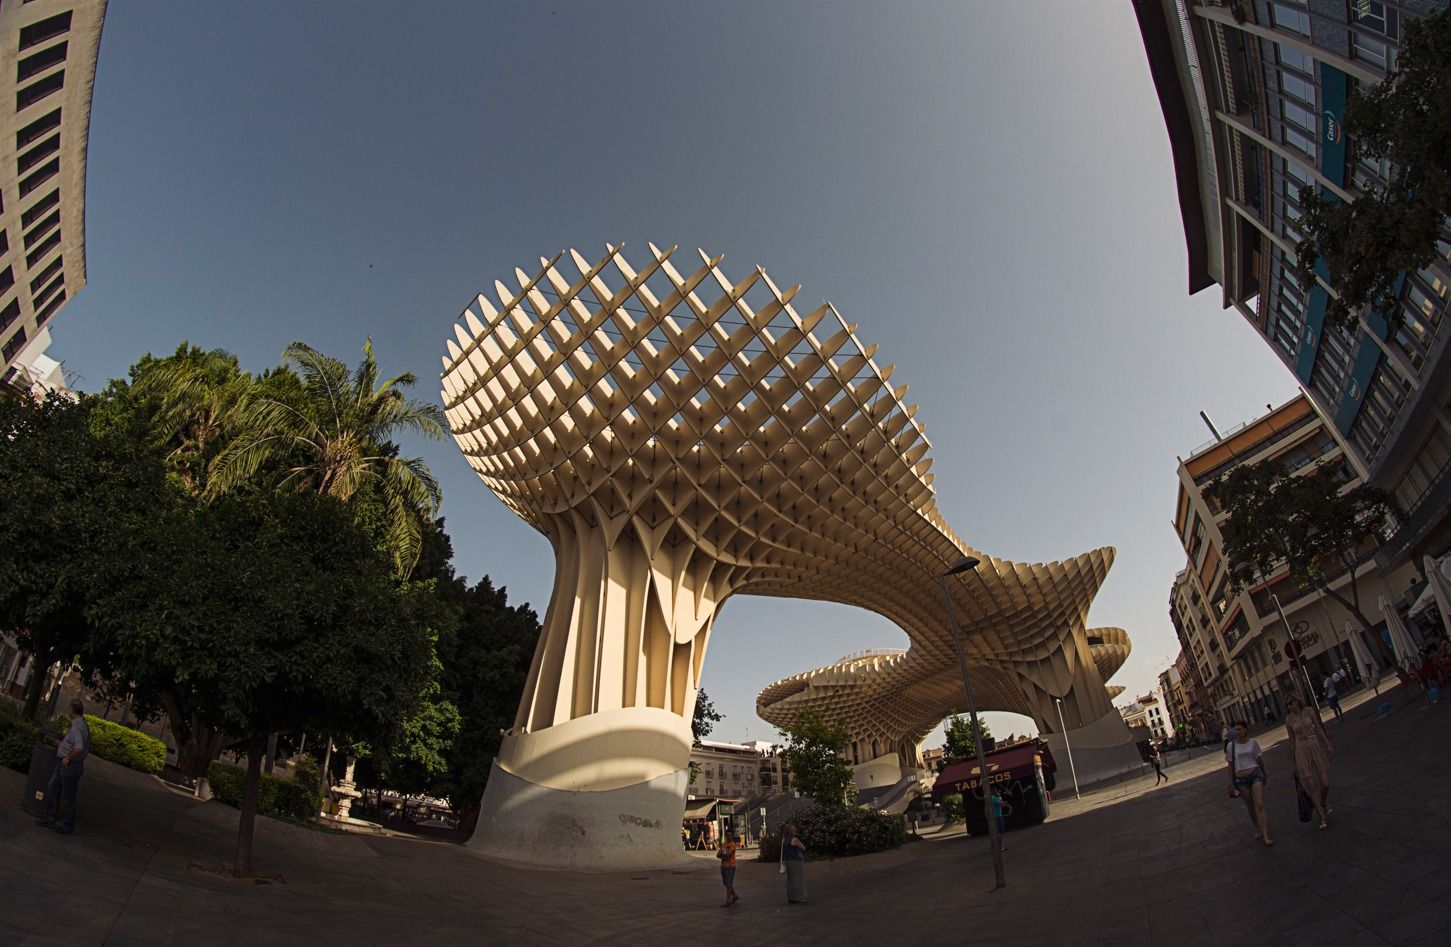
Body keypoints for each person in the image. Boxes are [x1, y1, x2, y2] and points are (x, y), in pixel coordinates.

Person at [37, 700, 90, 835]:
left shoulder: (78, 727)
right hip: (66, 764)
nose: (68, 711)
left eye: (69, 709)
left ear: (73, 710)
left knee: (68, 795)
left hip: (69, 765)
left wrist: (68, 757)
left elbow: (79, 747)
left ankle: (67, 825)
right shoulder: (82, 724)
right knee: (54, 787)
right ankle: (50, 818)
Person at [1284, 693, 1333, 829]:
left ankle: (1323, 802)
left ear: (1297, 701)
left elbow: (1317, 727)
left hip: (1314, 744)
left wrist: (1327, 742)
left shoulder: (1309, 711)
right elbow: (1291, 741)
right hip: (1301, 748)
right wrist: (1293, 762)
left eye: (1291, 702)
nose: (1289, 706)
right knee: (1311, 785)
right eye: (1287, 704)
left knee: (1325, 783)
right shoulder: (1289, 719)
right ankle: (1322, 816)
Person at [1225, 720, 1272, 846]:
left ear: (1245, 729)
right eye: (1236, 729)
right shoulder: (1231, 746)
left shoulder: (1253, 743)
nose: (1237, 732)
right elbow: (1230, 766)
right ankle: (1257, 827)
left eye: (1239, 729)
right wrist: (1231, 783)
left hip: (1255, 774)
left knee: (1260, 803)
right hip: (1240, 779)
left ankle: (1266, 834)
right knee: (1250, 807)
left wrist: (1264, 773)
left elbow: (1259, 759)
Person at [781, 823, 807, 904]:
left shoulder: (784, 840)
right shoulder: (794, 840)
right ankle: (799, 897)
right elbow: (803, 847)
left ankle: (791, 897)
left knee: (791, 880)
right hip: (797, 861)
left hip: (788, 861)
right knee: (798, 879)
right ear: (792, 831)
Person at [717, 831, 740, 907]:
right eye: (727, 835)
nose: (729, 837)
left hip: (730, 866)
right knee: (725, 883)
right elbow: (718, 854)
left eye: (730, 835)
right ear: (726, 836)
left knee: (728, 883)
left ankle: (728, 900)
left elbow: (728, 855)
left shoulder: (732, 845)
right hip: (723, 866)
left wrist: (723, 855)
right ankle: (734, 895)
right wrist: (724, 855)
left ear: (732, 836)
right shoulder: (724, 844)